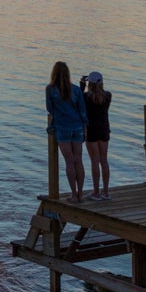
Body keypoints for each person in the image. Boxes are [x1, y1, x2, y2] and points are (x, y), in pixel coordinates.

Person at [45, 61, 87, 202]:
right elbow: (82, 110)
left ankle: (74, 194)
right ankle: (81, 194)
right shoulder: (76, 90)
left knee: (69, 162)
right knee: (78, 160)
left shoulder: (50, 89)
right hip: (77, 127)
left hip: (62, 128)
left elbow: (50, 109)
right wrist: (84, 127)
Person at [83, 71, 112, 201]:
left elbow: (77, 99)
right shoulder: (108, 96)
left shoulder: (86, 97)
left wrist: (81, 85)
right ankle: (105, 191)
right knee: (103, 160)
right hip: (104, 129)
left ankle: (96, 192)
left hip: (91, 130)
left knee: (94, 160)